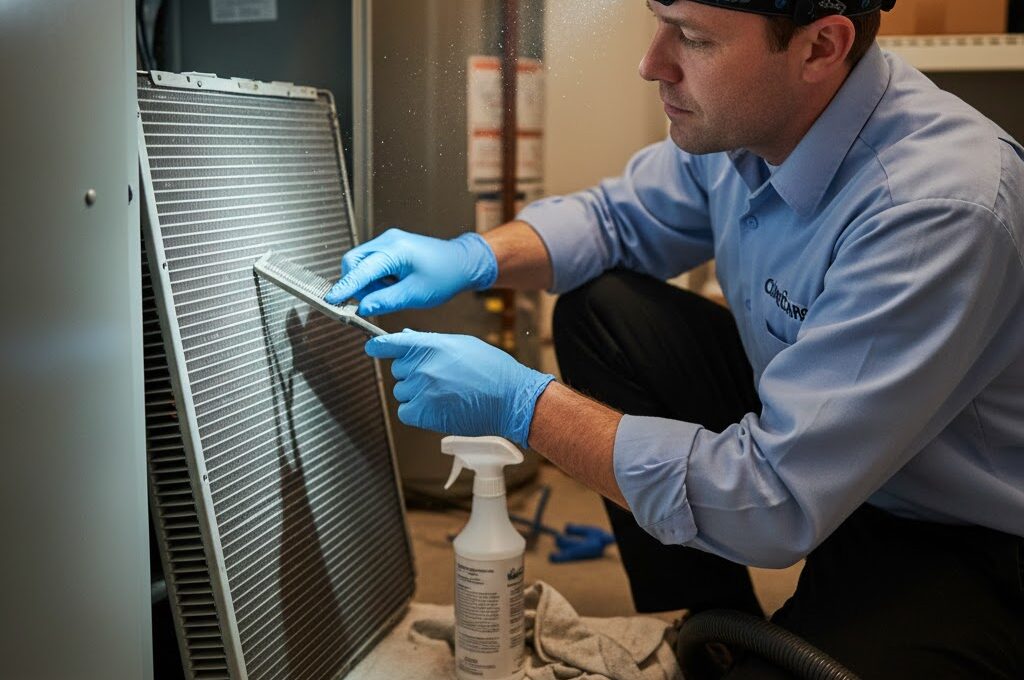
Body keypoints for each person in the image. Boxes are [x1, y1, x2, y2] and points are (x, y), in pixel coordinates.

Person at [326, 0, 1024, 676]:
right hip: (841, 466)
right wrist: (473, 255)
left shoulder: (934, 208)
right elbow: (615, 222)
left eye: (692, 38)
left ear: (820, 46)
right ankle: (711, 628)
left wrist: (526, 406)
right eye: (658, 23)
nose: (651, 63)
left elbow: (775, 496)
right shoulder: (754, 120)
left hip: (967, 536)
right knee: (603, 313)